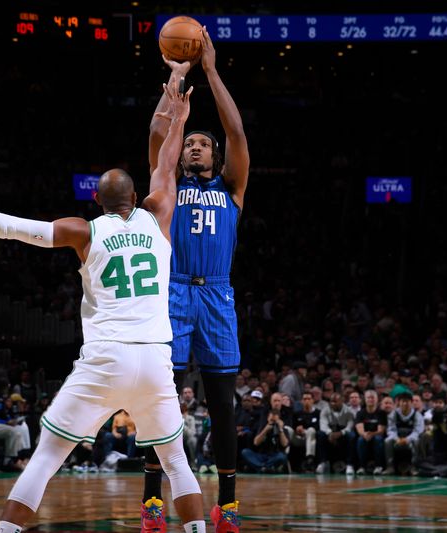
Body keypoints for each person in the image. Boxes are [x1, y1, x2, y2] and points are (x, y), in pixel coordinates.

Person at [0, 82, 207, 533]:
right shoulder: (158, 215)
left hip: (106, 357)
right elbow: (166, 166)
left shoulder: (85, 231)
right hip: (156, 358)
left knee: (47, 457)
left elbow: (10, 228)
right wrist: (179, 117)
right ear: (135, 199)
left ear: (95, 201)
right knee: (175, 460)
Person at [142, 24, 250, 533]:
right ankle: (152, 502)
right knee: (162, 402)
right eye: (192, 144)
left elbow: (237, 133)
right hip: (173, 292)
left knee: (224, 405)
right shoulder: (166, 186)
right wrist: (176, 80)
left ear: (215, 156)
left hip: (218, 297)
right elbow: (159, 135)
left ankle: (226, 505)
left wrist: (210, 69)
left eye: (204, 144)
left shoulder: (232, 188)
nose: (196, 148)